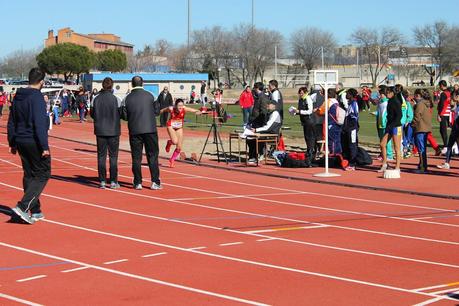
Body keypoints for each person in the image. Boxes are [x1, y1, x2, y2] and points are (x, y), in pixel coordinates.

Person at [7, 68, 50, 224]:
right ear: (41, 82)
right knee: (43, 174)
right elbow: (39, 123)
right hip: (34, 140)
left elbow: (12, 121)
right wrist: (44, 146)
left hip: (20, 140)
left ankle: (36, 210)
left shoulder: (18, 96)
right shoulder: (37, 97)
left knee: (29, 174)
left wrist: (12, 142)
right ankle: (23, 206)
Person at [121, 76, 161, 190]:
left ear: (132, 84)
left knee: (136, 157)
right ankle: (155, 182)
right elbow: (157, 112)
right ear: (142, 83)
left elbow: (124, 116)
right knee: (152, 156)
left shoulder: (126, 98)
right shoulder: (151, 95)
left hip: (135, 130)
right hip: (150, 130)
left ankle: (137, 182)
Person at [90, 77, 121, 189]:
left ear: (102, 86)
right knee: (113, 157)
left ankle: (102, 180)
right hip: (113, 131)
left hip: (100, 131)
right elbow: (120, 113)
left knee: (101, 156)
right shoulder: (116, 99)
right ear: (112, 86)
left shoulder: (95, 99)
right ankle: (113, 181)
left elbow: (92, 114)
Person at [161, 99, 201, 168]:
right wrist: (158, 112)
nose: (180, 107)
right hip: (171, 126)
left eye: (182, 105)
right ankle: (169, 142)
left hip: (179, 127)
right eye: (179, 105)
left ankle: (172, 160)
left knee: (179, 147)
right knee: (175, 141)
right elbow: (163, 110)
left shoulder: (184, 109)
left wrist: (198, 112)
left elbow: (194, 110)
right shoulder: (171, 109)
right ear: (175, 105)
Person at [378, 86, 402, 173]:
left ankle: (397, 167)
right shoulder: (390, 101)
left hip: (396, 127)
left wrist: (392, 125)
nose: (386, 93)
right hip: (389, 127)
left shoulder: (396, 101)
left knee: (396, 147)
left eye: (388, 92)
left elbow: (399, 116)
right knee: (382, 144)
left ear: (392, 93)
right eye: (386, 92)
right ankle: (385, 164)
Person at [412, 88, 432, 173]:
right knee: (422, 148)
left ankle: (423, 167)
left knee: (421, 148)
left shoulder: (420, 104)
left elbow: (417, 116)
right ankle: (422, 165)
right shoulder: (426, 103)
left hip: (420, 128)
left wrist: (412, 125)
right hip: (425, 128)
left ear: (418, 96)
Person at [295, 87, 314, 165]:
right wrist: (295, 112)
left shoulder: (308, 99)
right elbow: (300, 110)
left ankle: (310, 152)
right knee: (306, 136)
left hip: (309, 120)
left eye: (302, 93)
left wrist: (300, 111)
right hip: (304, 121)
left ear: (305, 93)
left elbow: (310, 111)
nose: (300, 94)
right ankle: (309, 150)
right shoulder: (300, 99)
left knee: (309, 137)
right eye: (300, 93)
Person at [342, 88, 359, 171]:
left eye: (347, 93)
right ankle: (349, 161)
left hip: (352, 127)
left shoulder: (354, 103)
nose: (346, 95)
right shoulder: (349, 103)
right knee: (348, 144)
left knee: (353, 145)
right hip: (348, 127)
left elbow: (355, 115)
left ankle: (353, 163)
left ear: (351, 95)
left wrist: (350, 124)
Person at [437, 80, 451, 151]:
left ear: (442, 85)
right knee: (446, 129)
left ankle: (446, 146)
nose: (439, 87)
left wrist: (439, 114)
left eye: (439, 86)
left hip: (443, 113)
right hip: (449, 113)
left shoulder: (443, 94)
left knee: (442, 130)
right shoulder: (449, 92)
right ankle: (449, 145)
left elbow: (441, 105)